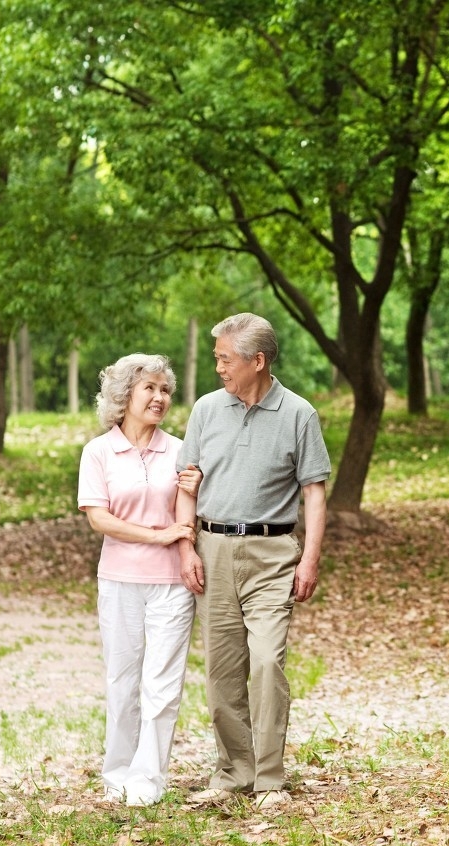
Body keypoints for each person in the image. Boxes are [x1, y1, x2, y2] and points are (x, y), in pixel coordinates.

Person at [175, 313, 330, 809]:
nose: (218, 366)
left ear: (256, 361)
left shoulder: (299, 414)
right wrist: (185, 545)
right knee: (222, 669)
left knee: (266, 662)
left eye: (225, 358)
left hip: (272, 554)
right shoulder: (205, 410)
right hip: (213, 549)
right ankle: (232, 772)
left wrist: (310, 558)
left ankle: (269, 779)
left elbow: (314, 492)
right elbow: (187, 482)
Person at [77, 354, 203, 806]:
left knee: (163, 685)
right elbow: (99, 519)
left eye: (165, 390)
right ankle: (117, 775)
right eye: (149, 388)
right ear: (124, 395)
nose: (159, 397)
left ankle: (148, 779)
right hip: (118, 580)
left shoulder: (181, 449)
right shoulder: (98, 452)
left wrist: (182, 539)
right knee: (122, 681)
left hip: (172, 583)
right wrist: (160, 534)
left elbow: (187, 509)